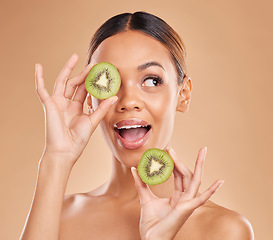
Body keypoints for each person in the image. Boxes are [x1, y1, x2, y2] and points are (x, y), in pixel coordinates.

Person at [20, 12, 254, 240]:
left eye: (152, 80)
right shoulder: (58, 219)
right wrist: (57, 158)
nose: (128, 100)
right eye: (112, 81)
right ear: (91, 98)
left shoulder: (224, 230)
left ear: (183, 94)